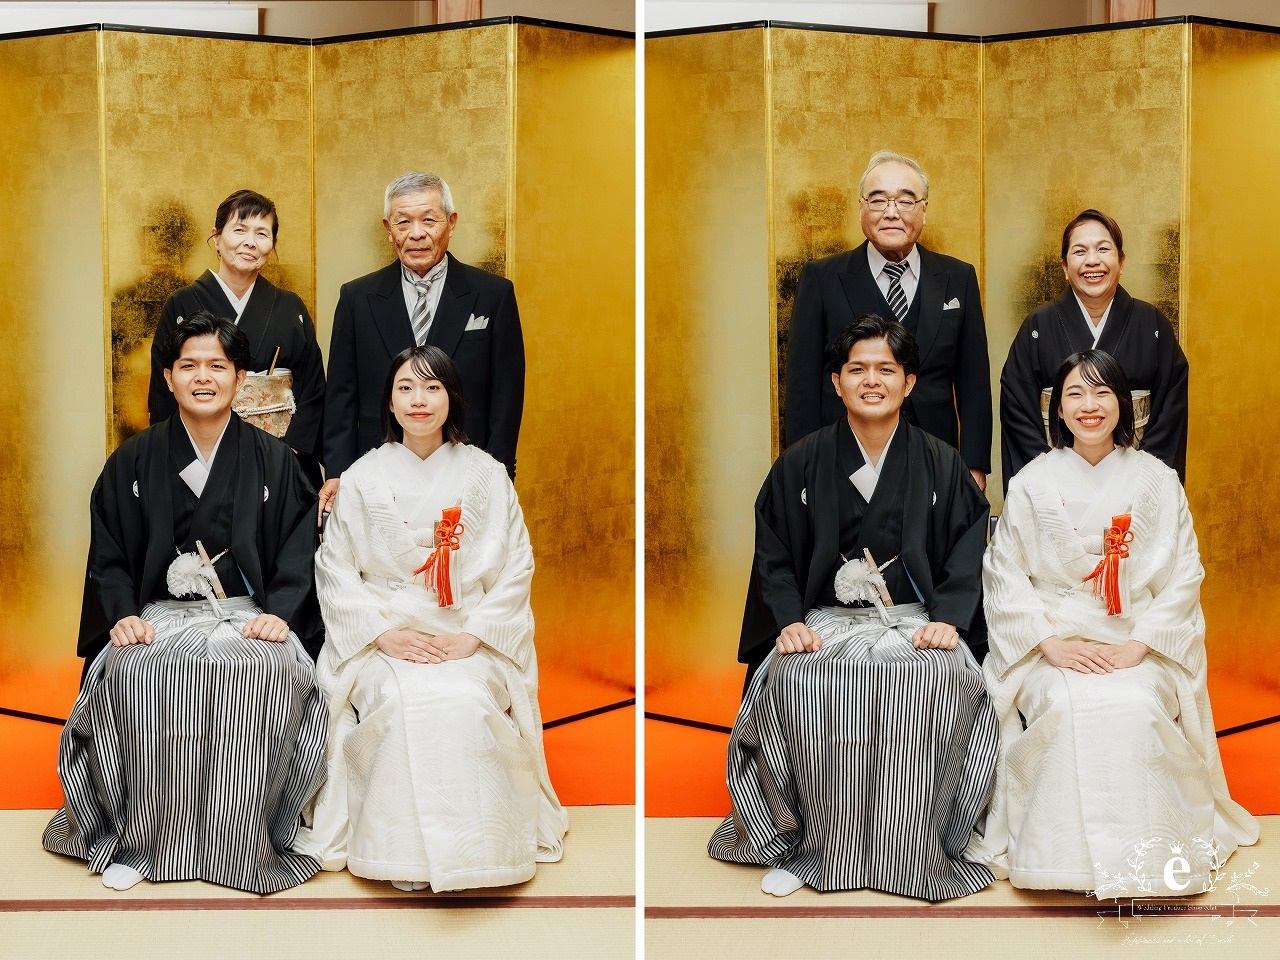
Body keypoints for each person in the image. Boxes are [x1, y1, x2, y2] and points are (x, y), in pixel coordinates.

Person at [709, 315, 998, 902]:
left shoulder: (942, 462)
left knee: (938, 677)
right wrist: (788, 621)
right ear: (836, 383)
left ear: (910, 382)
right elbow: (775, 556)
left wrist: (949, 617)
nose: (872, 381)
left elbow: (970, 549)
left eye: (886, 370)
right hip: (825, 621)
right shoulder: (802, 462)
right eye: (857, 370)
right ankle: (814, 848)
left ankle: (918, 852)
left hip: (918, 619)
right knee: (808, 678)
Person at [44, 312, 327, 894]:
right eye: (188, 366)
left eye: (217, 366)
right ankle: (139, 841)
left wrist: (283, 612)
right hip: (159, 614)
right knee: (140, 669)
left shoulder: (276, 461)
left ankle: (243, 845)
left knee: (262, 670)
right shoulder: (133, 460)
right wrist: (122, 614)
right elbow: (111, 554)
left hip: (250, 612)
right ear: (168, 378)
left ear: (240, 376)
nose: (204, 378)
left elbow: (300, 549)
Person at [969, 349, 1257, 897]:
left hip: (1134, 642)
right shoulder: (1032, 482)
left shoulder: (1158, 480)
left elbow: (1184, 574)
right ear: (1057, 409)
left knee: (1134, 703)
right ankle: (1059, 861)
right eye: (1075, 394)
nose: (1089, 406)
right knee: (1064, 705)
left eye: (1102, 393)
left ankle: (1151, 857)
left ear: (1124, 406)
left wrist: (1142, 645)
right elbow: (1004, 575)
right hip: (1057, 644)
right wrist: (1049, 644)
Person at [297, 345, 565, 892]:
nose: (419, 400)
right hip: (383, 637)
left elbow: (516, 566)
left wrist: (474, 637)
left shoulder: (487, 474)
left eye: (432, 387)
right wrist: (383, 634)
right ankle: (402, 856)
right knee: (397, 702)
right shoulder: (362, 476)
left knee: (465, 698)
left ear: (451, 398)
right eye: (405, 388)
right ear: (389, 403)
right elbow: (336, 569)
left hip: (465, 633)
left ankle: (481, 851)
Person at [321, 171, 525, 522]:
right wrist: (340, 472)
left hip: (467, 465)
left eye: (428, 220)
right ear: (388, 229)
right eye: (403, 222)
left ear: (451, 222)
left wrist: (499, 472)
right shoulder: (356, 298)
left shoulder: (493, 295)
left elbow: (506, 395)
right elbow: (341, 394)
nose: (416, 233)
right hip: (379, 471)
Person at [784, 150, 991, 490]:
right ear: (861, 208)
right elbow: (803, 383)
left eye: (906, 201)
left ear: (923, 210)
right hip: (842, 459)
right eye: (878, 200)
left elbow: (973, 382)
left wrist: (973, 464)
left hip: (935, 457)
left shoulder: (958, 277)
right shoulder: (822, 278)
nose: (891, 213)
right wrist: (803, 466)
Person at [148, 189, 326, 489]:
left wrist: (288, 451)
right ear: (216, 237)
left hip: (282, 456)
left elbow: (313, 388)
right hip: (203, 458)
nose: (250, 242)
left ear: (272, 244)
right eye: (239, 229)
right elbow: (164, 390)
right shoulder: (182, 303)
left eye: (262, 233)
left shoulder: (290, 307)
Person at [1000, 209, 1189, 490]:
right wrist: (1048, 484)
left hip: (1135, 486)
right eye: (1079, 251)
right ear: (1064, 267)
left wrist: (1145, 482)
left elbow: (1170, 413)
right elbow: (1017, 408)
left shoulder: (1152, 324)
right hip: (1057, 488)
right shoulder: (1038, 326)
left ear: (1121, 261)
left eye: (1103, 249)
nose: (1092, 261)